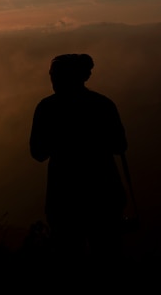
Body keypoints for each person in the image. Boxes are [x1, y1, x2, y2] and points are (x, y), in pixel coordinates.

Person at [29, 54, 128, 270]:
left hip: (64, 198)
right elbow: (120, 146)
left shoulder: (46, 108)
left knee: (69, 261)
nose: (53, 81)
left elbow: (38, 153)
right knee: (108, 258)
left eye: (55, 76)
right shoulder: (103, 104)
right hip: (105, 195)